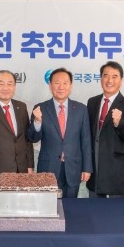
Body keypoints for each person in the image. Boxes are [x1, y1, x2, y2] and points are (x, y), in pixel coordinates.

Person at [27, 68, 92, 198]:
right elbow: (33, 138)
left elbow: (86, 140)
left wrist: (87, 168)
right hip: (48, 167)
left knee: (71, 206)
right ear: (50, 85)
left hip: (73, 167)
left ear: (71, 86)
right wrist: (37, 122)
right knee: (48, 205)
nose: (61, 87)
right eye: (57, 83)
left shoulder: (81, 109)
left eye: (65, 83)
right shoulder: (40, 108)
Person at [86, 61, 124, 198]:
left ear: (121, 80)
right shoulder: (92, 102)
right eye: (106, 76)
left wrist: (119, 123)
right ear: (101, 78)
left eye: (114, 76)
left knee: (118, 210)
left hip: (117, 171)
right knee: (94, 208)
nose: (109, 80)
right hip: (95, 169)